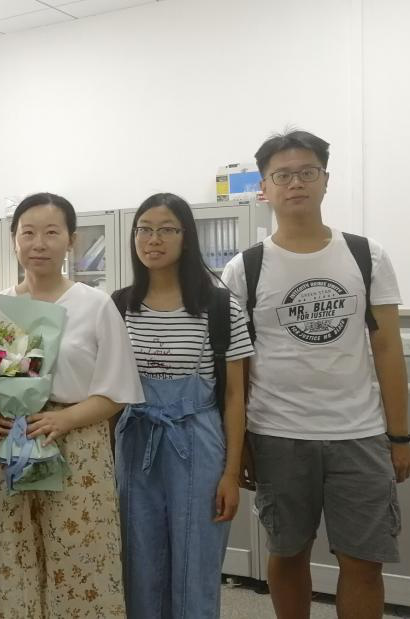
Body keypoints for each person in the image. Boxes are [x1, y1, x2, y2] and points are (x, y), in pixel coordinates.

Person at [222, 130, 410, 619]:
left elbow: (388, 349)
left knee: (365, 561)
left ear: (325, 180)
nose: (296, 183)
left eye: (307, 172)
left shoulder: (366, 255)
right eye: (282, 175)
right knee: (288, 554)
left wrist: (400, 435)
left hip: (360, 433)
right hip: (277, 434)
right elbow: (236, 368)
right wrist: (239, 446)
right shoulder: (245, 268)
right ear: (264, 187)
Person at [0, 192, 144, 618]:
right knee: (17, 553)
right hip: (14, 443)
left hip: (78, 445)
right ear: (14, 239)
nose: (39, 243)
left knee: (79, 555)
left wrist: (62, 420)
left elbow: (116, 392)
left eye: (51, 232)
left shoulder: (95, 304)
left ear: (71, 240)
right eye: (28, 233)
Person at [112, 192, 254, 618]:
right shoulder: (118, 305)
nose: (153, 239)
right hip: (135, 440)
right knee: (138, 558)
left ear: (186, 237)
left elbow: (235, 397)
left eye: (166, 230)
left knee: (197, 560)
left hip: (199, 440)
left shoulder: (220, 306)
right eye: (144, 230)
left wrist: (231, 474)